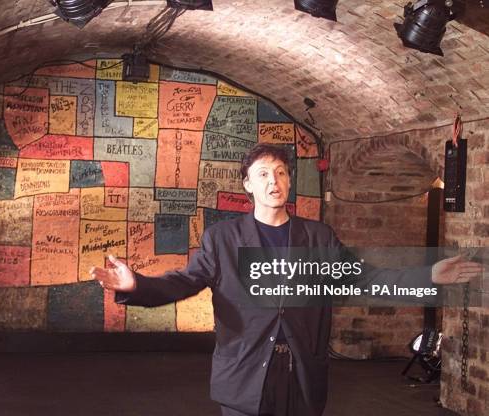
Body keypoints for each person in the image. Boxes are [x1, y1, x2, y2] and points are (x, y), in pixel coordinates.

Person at [90, 144, 481, 416]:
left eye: (280, 173)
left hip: (301, 375)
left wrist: (428, 274)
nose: (273, 181)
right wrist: (136, 286)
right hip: (244, 374)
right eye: (262, 174)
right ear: (247, 185)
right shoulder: (223, 240)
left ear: (289, 181)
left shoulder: (318, 238)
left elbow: (366, 278)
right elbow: (184, 281)